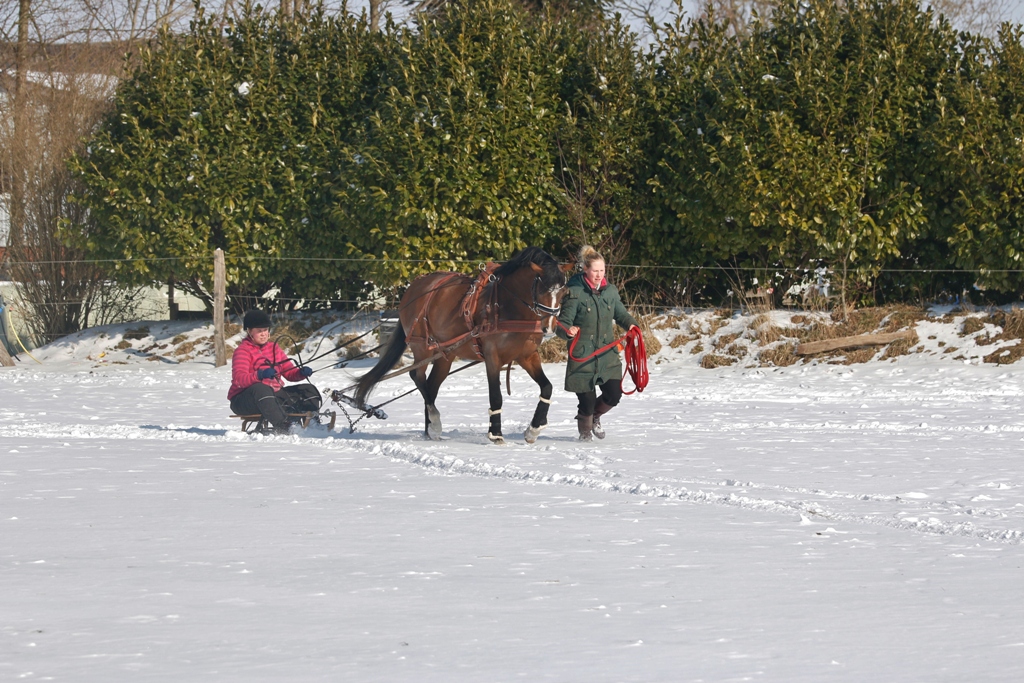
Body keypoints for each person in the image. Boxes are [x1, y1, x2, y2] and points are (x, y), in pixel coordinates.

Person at [555, 245, 640, 441]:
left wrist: (632, 326)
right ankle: (585, 437)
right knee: (586, 401)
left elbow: (621, 314)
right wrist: (569, 331)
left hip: (607, 354)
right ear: (585, 269)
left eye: (602, 271)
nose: (599, 275)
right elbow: (562, 323)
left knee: (614, 394)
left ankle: (596, 417)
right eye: (595, 271)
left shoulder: (610, 291)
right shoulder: (574, 292)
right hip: (582, 355)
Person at [228, 309, 321, 434]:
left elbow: (289, 372)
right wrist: (260, 375)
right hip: (244, 400)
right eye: (259, 331)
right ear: (249, 331)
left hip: (272, 395)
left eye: (265, 330)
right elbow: (239, 379)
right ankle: (284, 426)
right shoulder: (242, 351)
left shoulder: (274, 348)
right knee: (262, 388)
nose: (263, 334)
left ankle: (312, 422)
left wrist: (300, 373)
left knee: (307, 389)